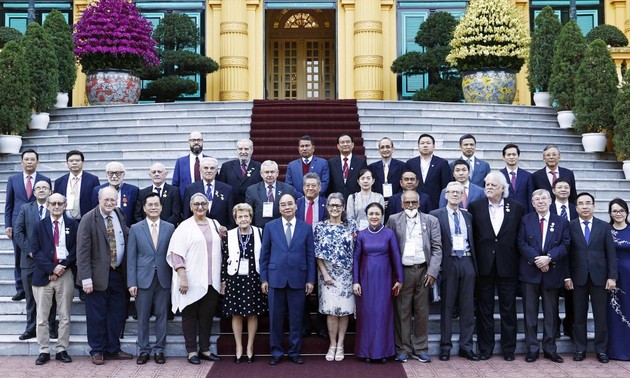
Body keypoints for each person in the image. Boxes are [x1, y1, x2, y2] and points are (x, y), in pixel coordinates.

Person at [468, 171, 524, 361]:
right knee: (485, 310)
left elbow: (519, 237)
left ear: (503, 188)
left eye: (493, 185)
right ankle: (486, 348)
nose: (489, 187)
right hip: (484, 267)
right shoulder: (475, 207)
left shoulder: (516, 208)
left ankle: (509, 349)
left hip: (508, 265)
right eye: (487, 184)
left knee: (508, 310)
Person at [77, 186, 132, 365]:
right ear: (99, 199)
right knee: (96, 315)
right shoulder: (88, 219)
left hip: (117, 273)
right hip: (96, 276)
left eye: (112, 200)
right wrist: (86, 278)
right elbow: (82, 252)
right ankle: (97, 350)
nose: (109, 203)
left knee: (116, 314)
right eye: (106, 200)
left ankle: (112, 349)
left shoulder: (119, 214)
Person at [260, 193, 315, 365]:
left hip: (298, 279)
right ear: (279, 208)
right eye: (283, 205)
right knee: (275, 318)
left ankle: (294, 351)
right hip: (275, 279)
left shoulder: (305, 228)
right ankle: (276, 352)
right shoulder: (270, 226)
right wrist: (264, 279)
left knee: (296, 318)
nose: (287, 207)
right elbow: (264, 255)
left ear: (296, 206)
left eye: (290, 204)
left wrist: (310, 280)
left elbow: (310, 255)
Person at [167, 193, 223, 365]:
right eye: (196, 204)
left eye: (203, 204)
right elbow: (176, 254)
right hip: (190, 280)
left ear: (208, 206)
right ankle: (191, 351)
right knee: (190, 316)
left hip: (211, 280)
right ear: (191, 207)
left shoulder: (215, 224)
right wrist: (182, 277)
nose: (200, 207)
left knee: (206, 316)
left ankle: (205, 349)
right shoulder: (184, 227)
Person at [387, 190, 441, 363]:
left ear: (419, 203)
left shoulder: (431, 220)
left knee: (421, 311)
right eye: (407, 203)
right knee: (402, 311)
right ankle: (402, 349)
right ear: (402, 204)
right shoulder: (394, 220)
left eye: (413, 202)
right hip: (403, 272)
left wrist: (432, 272)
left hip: (424, 270)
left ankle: (421, 349)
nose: (410, 206)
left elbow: (437, 248)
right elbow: (388, 245)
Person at [517, 189, 569, 363]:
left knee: (551, 314)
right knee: (530, 314)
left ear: (550, 201)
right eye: (537, 199)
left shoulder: (561, 221)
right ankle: (532, 349)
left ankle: (550, 348)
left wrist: (549, 258)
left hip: (552, 272)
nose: (540, 201)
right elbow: (521, 242)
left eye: (544, 198)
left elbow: (565, 244)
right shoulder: (526, 220)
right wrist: (537, 260)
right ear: (532, 203)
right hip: (530, 272)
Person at [565, 192, 617, 363]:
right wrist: (567, 277)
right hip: (577, 277)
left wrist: (612, 277)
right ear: (576, 207)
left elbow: (611, 254)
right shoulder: (569, 226)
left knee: (600, 316)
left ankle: (601, 350)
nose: (585, 206)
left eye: (588, 203)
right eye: (581, 203)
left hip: (600, 278)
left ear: (594, 206)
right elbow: (566, 254)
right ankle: (580, 349)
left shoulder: (604, 227)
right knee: (578, 316)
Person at [430, 182, 478, 361]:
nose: (456, 195)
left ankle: (466, 346)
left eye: (459, 192)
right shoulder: (435, 215)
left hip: (467, 260)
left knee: (467, 306)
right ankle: (445, 346)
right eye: (452, 192)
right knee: (447, 306)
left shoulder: (468, 216)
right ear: (446, 195)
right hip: (448, 262)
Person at [127, 192, 175, 365]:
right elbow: (131, 257)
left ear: (161, 208)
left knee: (162, 315)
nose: (153, 208)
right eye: (150, 205)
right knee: (143, 316)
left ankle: (159, 349)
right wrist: (131, 282)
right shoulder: (135, 228)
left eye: (157, 204)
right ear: (145, 208)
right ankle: (143, 350)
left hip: (163, 278)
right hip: (142, 279)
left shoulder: (170, 227)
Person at [31, 193, 78, 365]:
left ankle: (61, 349)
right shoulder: (39, 226)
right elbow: (35, 251)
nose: (56, 206)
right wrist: (51, 268)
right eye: (53, 203)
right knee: (42, 317)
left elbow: (75, 250)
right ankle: (44, 350)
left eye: (60, 203)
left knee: (64, 315)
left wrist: (61, 268)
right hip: (43, 276)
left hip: (65, 274)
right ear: (48, 206)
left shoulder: (73, 225)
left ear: (65, 205)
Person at [353, 202, 404, 363]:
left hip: (385, 279)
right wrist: (356, 281)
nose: (374, 217)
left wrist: (400, 279)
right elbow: (356, 259)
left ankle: (383, 352)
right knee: (367, 315)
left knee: (383, 314)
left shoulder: (389, 233)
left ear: (382, 215)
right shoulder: (361, 234)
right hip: (365, 279)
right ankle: (366, 352)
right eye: (371, 214)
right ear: (366, 216)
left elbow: (396, 256)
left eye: (377, 214)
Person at [221, 203, 267, 364]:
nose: (243, 219)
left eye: (246, 216)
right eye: (240, 216)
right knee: (237, 313)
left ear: (251, 217)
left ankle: (250, 347)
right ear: (235, 218)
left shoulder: (260, 233)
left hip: (254, 278)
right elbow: (224, 258)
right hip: (235, 278)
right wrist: (223, 281)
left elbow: (265, 257)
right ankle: (239, 346)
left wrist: (264, 279)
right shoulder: (230, 235)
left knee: (253, 313)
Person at [314, 193, 357, 362]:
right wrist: (325, 274)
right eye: (331, 205)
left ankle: (341, 345)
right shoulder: (320, 227)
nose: (334, 208)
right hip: (327, 275)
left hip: (347, 275)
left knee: (344, 311)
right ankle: (332, 345)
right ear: (327, 207)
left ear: (343, 207)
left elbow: (356, 251)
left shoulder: (351, 226)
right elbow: (317, 253)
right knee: (331, 312)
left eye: (338, 205)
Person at [5, 149, 51, 302]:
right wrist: (8, 225)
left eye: (33, 159)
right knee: (20, 255)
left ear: (38, 162)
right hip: (18, 223)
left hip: (40, 221)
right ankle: (21, 288)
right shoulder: (13, 179)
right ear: (21, 162)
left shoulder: (45, 179)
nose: (29, 162)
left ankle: (42, 281)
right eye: (27, 159)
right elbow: (9, 204)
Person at [14, 181, 57, 341]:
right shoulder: (25, 209)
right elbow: (18, 232)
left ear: (50, 191)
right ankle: (31, 327)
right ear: (33, 191)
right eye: (38, 188)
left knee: (51, 296)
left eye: (44, 188)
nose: (41, 190)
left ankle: (52, 327)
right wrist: (31, 251)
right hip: (29, 261)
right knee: (31, 297)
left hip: (49, 261)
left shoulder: (55, 207)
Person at [296, 173, 329, 339]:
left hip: (323, 254)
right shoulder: (297, 204)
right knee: (304, 291)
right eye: (307, 185)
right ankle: (305, 324)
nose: (310, 188)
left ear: (320, 187)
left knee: (322, 290)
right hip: (301, 253)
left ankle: (322, 325)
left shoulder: (326, 204)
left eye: (314, 185)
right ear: (303, 188)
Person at [550, 177, 578, 338]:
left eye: (566, 187)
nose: (563, 190)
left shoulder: (576, 209)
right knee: (552, 297)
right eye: (559, 187)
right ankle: (554, 327)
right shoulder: (547, 207)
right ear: (553, 190)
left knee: (572, 297)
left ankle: (570, 326)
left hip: (573, 259)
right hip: (553, 258)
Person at [607, 198, 630, 361]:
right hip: (613, 278)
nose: (618, 213)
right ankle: (616, 350)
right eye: (615, 211)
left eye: (621, 210)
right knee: (615, 313)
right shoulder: (605, 230)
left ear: (627, 212)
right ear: (610, 213)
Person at [183, 157, 235, 228]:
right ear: (200, 170)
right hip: (197, 233)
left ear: (216, 170)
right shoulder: (190, 189)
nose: (209, 171)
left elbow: (231, 218)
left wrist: (226, 234)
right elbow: (186, 216)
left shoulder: (227, 189)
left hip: (220, 233)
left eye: (212, 168)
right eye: (206, 168)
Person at [405, 134, 450, 212]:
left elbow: (445, 186)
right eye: (422, 143)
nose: (425, 145)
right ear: (418, 146)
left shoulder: (442, 163)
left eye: (428, 143)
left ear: (434, 146)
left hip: (435, 204)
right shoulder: (411, 163)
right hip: (414, 204)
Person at [245, 160, 295, 228]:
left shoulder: (288, 189)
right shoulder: (252, 190)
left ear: (277, 173)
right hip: (261, 230)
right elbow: (249, 213)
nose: (270, 175)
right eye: (266, 172)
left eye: (272, 172)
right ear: (261, 174)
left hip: (282, 228)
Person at [53, 150, 101, 220]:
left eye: (77, 160)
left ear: (83, 163)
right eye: (71, 161)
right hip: (65, 221)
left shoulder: (93, 180)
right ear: (67, 163)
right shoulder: (59, 181)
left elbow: (96, 202)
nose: (74, 163)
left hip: (86, 220)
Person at [91, 161, 139, 228]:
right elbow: (94, 213)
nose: (114, 176)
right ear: (106, 174)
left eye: (117, 173)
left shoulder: (133, 190)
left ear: (123, 174)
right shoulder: (98, 190)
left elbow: (136, 215)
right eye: (111, 173)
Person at [218, 138, 263, 204]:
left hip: (253, 206)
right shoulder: (226, 167)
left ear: (252, 150)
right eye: (240, 149)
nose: (243, 152)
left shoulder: (259, 167)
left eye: (246, 149)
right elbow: (221, 188)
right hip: (232, 206)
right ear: (236, 150)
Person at [327, 134, 368, 199]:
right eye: (342, 142)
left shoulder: (361, 162)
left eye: (348, 142)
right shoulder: (331, 162)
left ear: (352, 145)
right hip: (336, 201)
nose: (345, 144)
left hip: (356, 199)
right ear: (338, 146)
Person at [172, 131, 207, 199]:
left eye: (199, 140)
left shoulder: (210, 161)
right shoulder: (180, 162)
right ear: (189, 142)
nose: (196, 142)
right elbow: (175, 186)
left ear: (203, 142)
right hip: (185, 202)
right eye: (193, 140)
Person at [499, 143, 533, 213]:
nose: (511, 157)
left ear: (518, 156)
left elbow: (530, 198)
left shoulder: (528, 176)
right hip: (504, 213)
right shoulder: (499, 175)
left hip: (523, 214)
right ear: (503, 157)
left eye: (514, 154)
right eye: (508, 155)